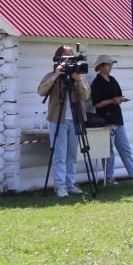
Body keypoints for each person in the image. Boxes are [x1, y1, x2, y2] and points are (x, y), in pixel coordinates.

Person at [38, 45, 92, 197]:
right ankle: (60, 186)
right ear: (59, 58)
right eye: (66, 56)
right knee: (59, 155)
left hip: (75, 118)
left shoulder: (78, 75)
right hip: (57, 119)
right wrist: (55, 76)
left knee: (72, 155)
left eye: (71, 56)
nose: (70, 60)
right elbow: (41, 91)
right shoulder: (52, 75)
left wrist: (79, 79)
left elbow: (86, 96)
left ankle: (70, 184)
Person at [87, 55, 133, 184]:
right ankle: (109, 178)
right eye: (108, 65)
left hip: (117, 118)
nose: (110, 67)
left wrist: (119, 100)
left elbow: (118, 95)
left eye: (111, 65)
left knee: (125, 148)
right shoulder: (96, 83)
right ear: (101, 66)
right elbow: (97, 104)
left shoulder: (112, 80)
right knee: (108, 151)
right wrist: (111, 101)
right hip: (105, 120)